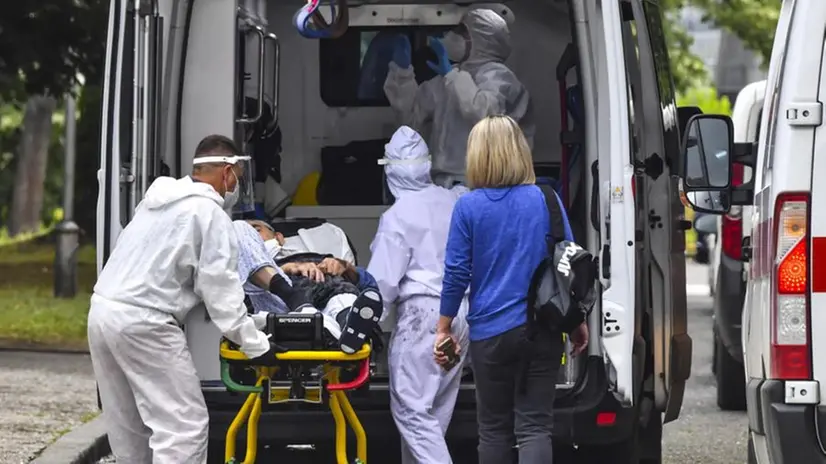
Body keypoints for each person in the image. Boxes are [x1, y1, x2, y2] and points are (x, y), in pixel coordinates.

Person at [87, 135, 279, 463]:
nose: (236, 187)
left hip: (103, 312)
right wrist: (257, 346)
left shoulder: (156, 201)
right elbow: (220, 290)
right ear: (228, 173)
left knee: (129, 427)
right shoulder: (209, 214)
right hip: (145, 322)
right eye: (238, 180)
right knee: (184, 426)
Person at [434, 116, 589, 463]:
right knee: (535, 427)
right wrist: (577, 322)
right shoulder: (547, 199)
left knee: (493, 429)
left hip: (490, 334)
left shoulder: (468, 207)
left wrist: (443, 328)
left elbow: (457, 272)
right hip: (544, 328)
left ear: (478, 157)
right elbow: (568, 265)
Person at [365, 125, 469, 464]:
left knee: (411, 411)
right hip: (460, 314)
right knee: (433, 414)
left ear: (390, 170)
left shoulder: (397, 216)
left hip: (423, 317)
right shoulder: (453, 201)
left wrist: (363, 323)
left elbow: (383, 283)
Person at [383, 8, 534, 188]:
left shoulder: (501, 79)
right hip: (442, 184)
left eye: (461, 32)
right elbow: (411, 119)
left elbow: (484, 116)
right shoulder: (448, 80)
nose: (452, 36)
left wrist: (451, 76)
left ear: (481, 40)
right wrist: (402, 73)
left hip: (487, 185)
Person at [233, 220, 383, 353]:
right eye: (249, 233)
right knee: (237, 226)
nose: (252, 236)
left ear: (278, 237)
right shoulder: (237, 268)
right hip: (279, 307)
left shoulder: (320, 256)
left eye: (257, 230)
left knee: (343, 295)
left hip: (329, 293)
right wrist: (284, 269)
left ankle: (346, 325)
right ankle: (321, 322)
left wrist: (345, 267)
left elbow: (370, 287)